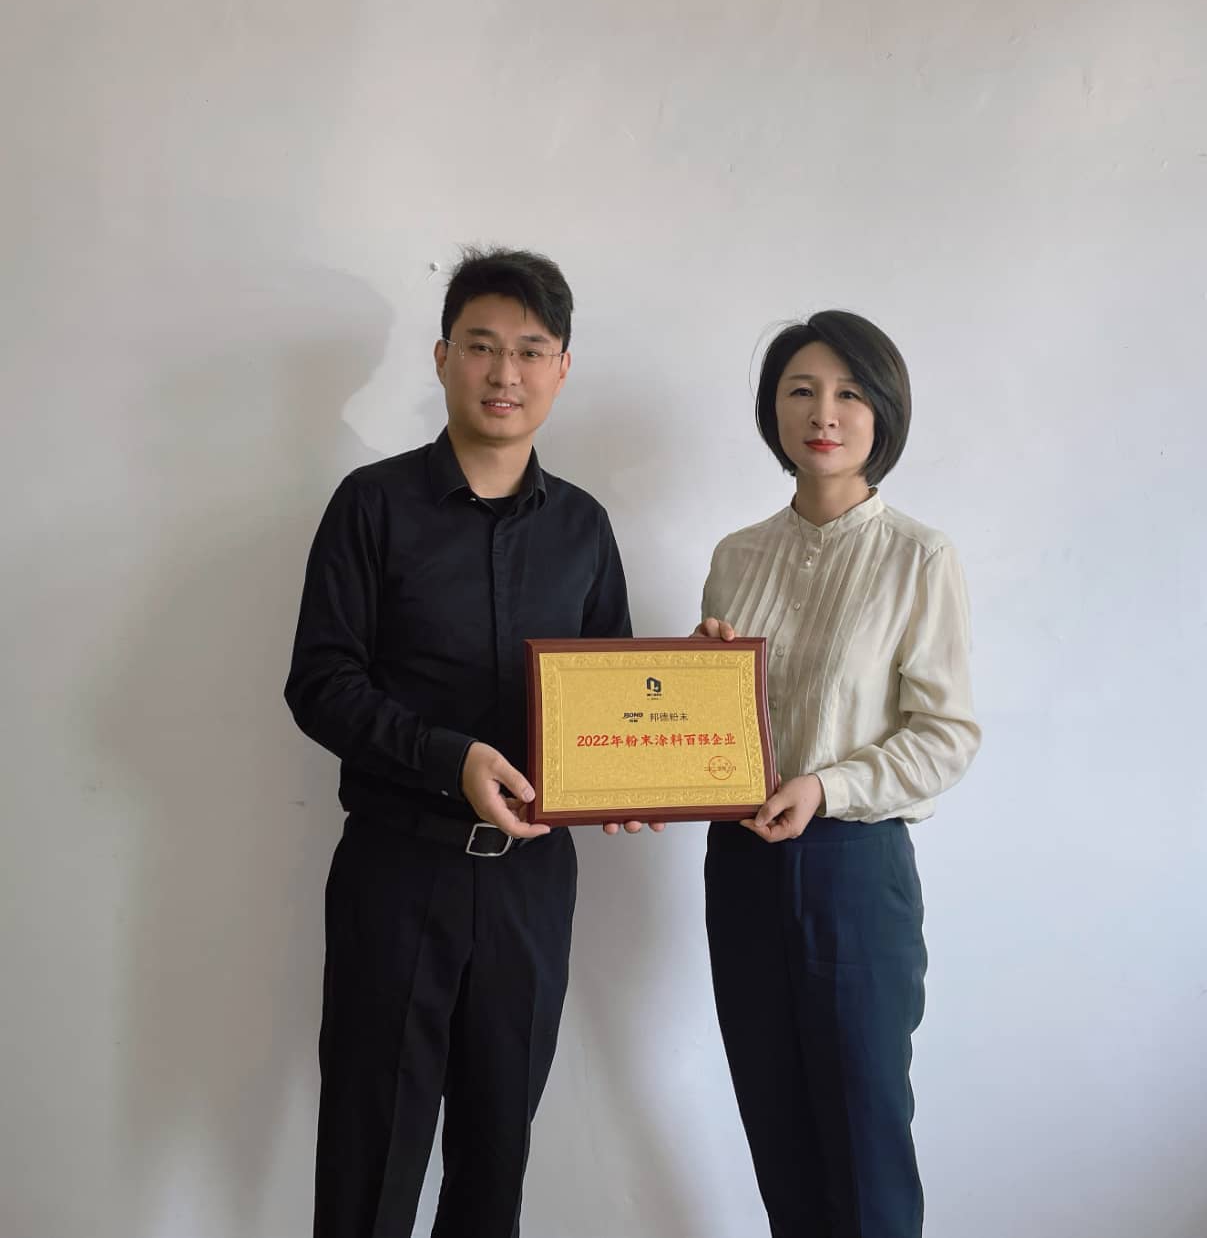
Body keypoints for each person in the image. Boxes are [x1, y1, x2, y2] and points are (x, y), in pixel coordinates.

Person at [284, 247, 633, 1238]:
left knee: (494, 1161)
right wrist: (453, 759)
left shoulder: (584, 528)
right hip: (398, 871)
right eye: (481, 346)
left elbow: (612, 696)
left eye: (530, 350)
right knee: (370, 1160)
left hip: (530, 885)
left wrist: (651, 754)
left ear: (562, 368)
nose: (503, 372)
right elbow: (320, 684)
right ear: (442, 358)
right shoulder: (371, 505)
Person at [695, 310, 981, 1238]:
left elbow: (946, 735)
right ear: (772, 410)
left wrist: (826, 787)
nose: (824, 413)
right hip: (740, 866)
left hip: (854, 870)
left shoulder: (919, 557)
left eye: (850, 393)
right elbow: (712, 727)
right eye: (802, 391)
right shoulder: (736, 559)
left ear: (883, 411)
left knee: (864, 1156)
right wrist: (693, 687)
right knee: (779, 1142)